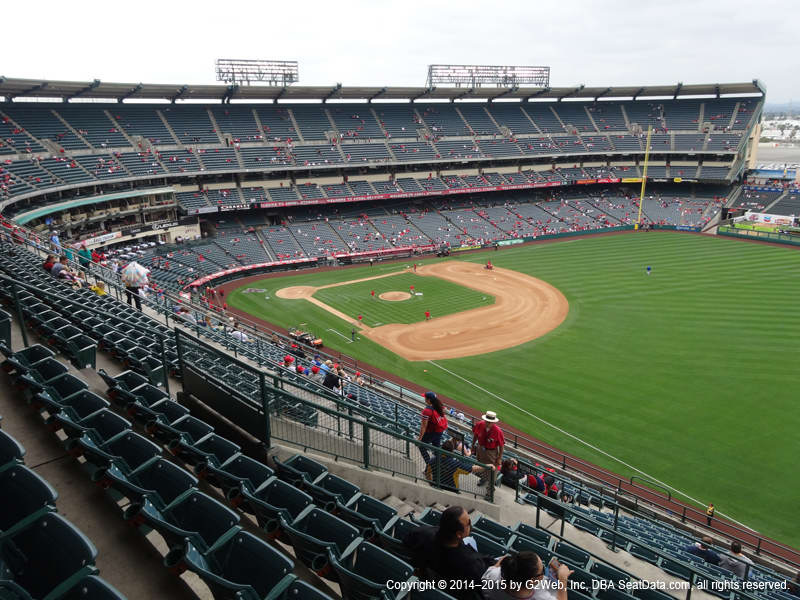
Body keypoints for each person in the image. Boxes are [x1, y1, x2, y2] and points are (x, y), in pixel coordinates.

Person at [403, 506, 492, 599]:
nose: (470, 524)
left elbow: (406, 540)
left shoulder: (421, 533)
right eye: (468, 523)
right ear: (459, 534)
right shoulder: (470, 563)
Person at [483, 552, 573, 600]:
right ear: (532, 581)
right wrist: (563, 579)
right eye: (542, 570)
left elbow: (494, 567)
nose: (544, 571)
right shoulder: (540, 596)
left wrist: (499, 564)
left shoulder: (492, 577)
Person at [472, 411, 505, 487]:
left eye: (490, 422)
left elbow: (501, 446)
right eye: (487, 421)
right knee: (481, 465)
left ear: (493, 422)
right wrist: (472, 446)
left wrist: (499, 458)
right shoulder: (479, 424)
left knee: (492, 469)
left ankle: (490, 489)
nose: (487, 423)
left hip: (491, 452)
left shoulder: (498, 431)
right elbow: (475, 436)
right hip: (480, 448)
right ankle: (483, 479)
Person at [418, 391, 448, 464]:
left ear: (428, 400)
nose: (424, 399)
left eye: (425, 398)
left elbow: (423, 427)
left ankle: (429, 465)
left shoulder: (427, 411)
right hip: (439, 432)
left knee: (421, 446)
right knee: (437, 450)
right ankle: (438, 466)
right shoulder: (440, 406)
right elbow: (445, 412)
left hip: (431, 432)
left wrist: (419, 438)